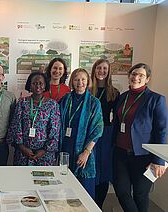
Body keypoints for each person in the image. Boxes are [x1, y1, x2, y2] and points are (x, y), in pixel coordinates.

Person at [112, 63, 167, 212]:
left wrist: (159, 160)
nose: (136, 77)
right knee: (122, 192)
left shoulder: (156, 100)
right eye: (134, 74)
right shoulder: (122, 97)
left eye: (141, 75)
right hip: (120, 153)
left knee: (140, 195)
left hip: (144, 156)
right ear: (129, 76)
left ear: (147, 79)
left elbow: (161, 131)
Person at [59, 68, 103, 199]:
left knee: (84, 192)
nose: (80, 82)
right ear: (72, 81)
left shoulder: (94, 102)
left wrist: (86, 152)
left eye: (83, 79)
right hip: (66, 148)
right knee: (64, 188)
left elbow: (98, 129)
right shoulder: (65, 99)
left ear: (88, 81)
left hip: (84, 150)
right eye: (76, 79)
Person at [7, 71, 60, 166]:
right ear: (30, 86)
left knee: (43, 180)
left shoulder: (52, 105)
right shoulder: (22, 102)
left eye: (40, 83)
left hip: (45, 155)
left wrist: (44, 150)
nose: (37, 86)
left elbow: (55, 130)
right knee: (22, 179)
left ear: (45, 86)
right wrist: (22, 147)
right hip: (23, 154)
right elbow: (16, 125)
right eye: (34, 83)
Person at [90, 59, 120, 209]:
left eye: (104, 69)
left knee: (104, 172)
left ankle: (98, 206)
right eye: (99, 68)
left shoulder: (114, 93)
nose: (101, 71)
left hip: (106, 135)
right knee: (91, 169)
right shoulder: (88, 90)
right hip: (89, 134)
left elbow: (117, 118)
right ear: (94, 70)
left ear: (108, 72)